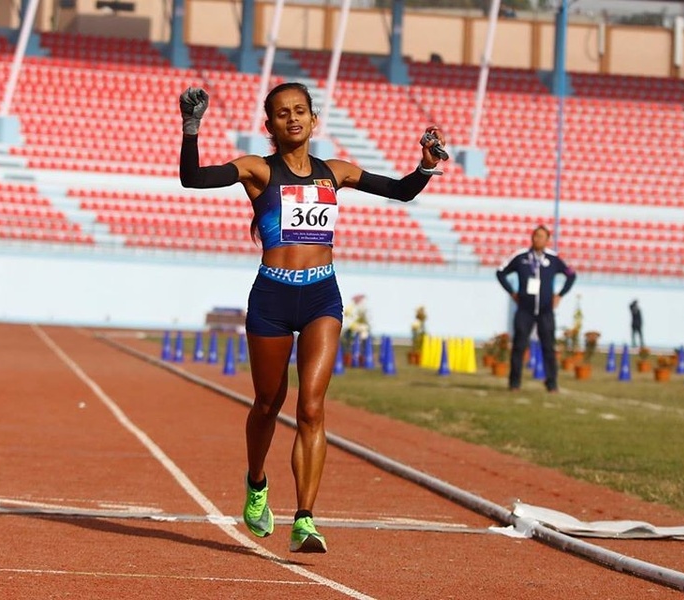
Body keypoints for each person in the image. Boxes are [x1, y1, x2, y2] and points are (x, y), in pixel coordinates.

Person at [178, 83, 446, 552]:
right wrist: (191, 127)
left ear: (314, 119)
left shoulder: (336, 172)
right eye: (282, 114)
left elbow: (401, 192)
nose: (292, 119)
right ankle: (257, 483)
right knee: (267, 403)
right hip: (272, 299)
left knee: (313, 407)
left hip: (322, 295)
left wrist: (425, 164)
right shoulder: (257, 170)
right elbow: (193, 179)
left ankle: (305, 517)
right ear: (271, 126)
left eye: (300, 111)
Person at [496, 225, 576, 393]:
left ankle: (552, 383)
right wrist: (512, 292)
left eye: (541, 236)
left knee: (548, 347)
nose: (537, 239)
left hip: (546, 311)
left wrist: (560, 294)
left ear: (547, 240)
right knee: (519, 346)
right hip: (525, 310)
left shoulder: (553, 259)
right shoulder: (521, 257)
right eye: (535, 236)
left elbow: (571, 274)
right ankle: (514, 383)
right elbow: (500, 272)